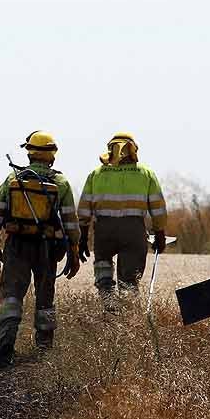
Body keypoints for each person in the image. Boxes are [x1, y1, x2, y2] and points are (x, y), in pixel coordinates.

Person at [0, 131, 82, 371]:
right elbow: (70, 222)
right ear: (52, 155)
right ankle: (44, 352)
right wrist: (75, 251)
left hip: (16, 245)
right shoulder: (61, 183)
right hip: (47, 248)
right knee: (45, 299)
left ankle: (6, 347)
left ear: (29, 153)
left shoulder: (12, 180)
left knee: (12, 297)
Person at [76, 132, 168, 310]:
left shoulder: (96, 174)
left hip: (104, 230)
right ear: (133, 150)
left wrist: (82, 239)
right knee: (129, 282)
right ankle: (126, 320)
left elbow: (84, 209)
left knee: (103, 264)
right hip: (133, 231)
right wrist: (160, 235)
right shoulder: (145, 173)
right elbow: (158, 208)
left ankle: (107, 297)